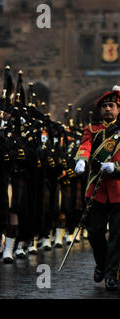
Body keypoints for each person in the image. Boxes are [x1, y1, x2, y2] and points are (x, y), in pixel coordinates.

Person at [74, 87, 120, 291]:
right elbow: (85, 146)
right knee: (95, 233)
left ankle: (111, 274)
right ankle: (101, 264)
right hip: (97, 189)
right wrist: (82, 160)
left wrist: (116, 167)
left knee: (117, 236)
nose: (107, 109)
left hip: (119, 190)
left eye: (111, 105)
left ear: (119, 109)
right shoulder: (93, 129)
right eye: (104, 106)